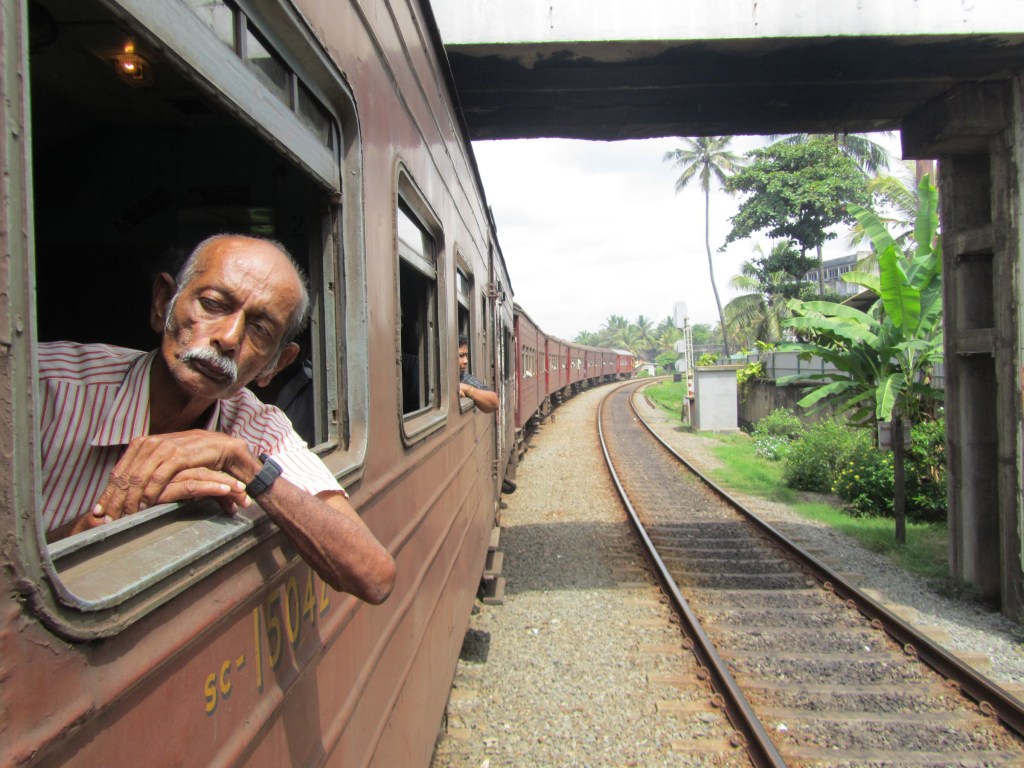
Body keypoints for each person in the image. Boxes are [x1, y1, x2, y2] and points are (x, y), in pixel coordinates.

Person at [39, 234, 396, 604]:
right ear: (163, 303)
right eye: (211, 304)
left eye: (259, 329)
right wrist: (80, 536)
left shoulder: (259, 427)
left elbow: (374, 576)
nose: (228, 337)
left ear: (276, 364)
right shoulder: (41, 388)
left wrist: (244, 464)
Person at [457, 334, 499, 414]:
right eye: (461, 356)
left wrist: (467, 389)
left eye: (466, 355)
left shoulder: (463, 378)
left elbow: (494, 402)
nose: (466, 361)